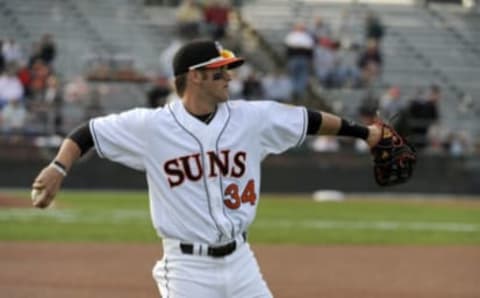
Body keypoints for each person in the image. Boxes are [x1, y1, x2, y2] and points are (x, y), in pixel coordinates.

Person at [31, 39, 383, 298]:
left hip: (241, 260)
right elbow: (87, 133)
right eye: (220, 71)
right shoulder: (152, 126)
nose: (229, 77)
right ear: (195, 76)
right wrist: (58, 168)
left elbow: (309, 120)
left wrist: (365, 133)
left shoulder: (251, 118)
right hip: (187, 269)